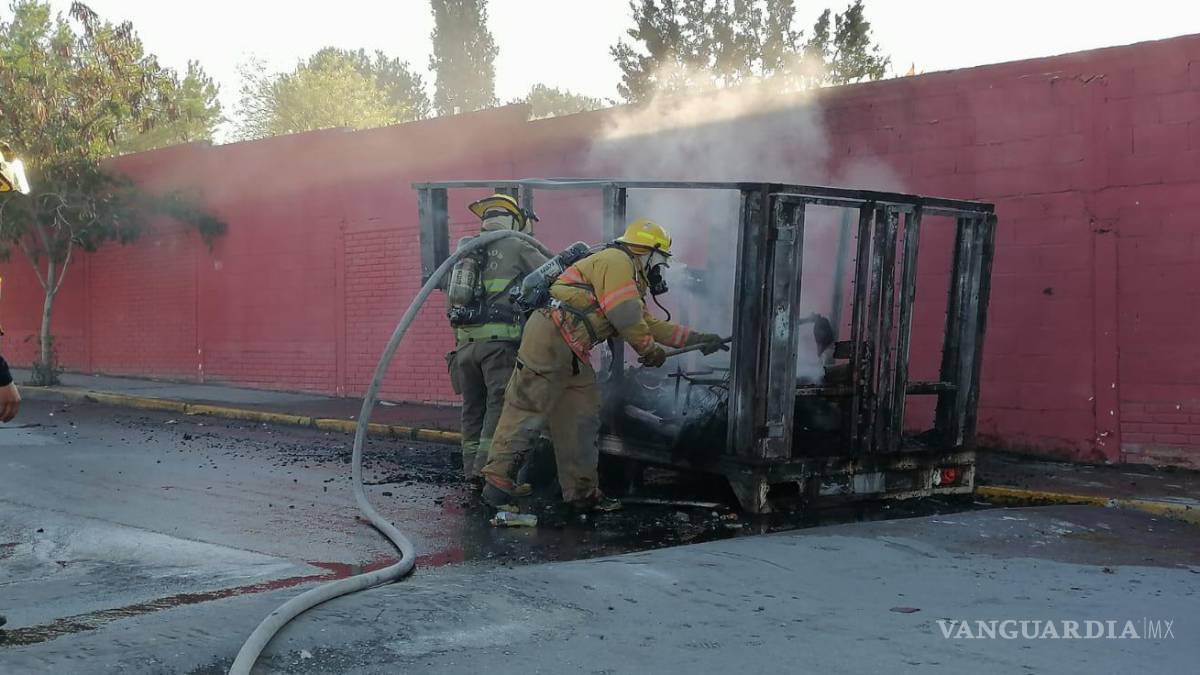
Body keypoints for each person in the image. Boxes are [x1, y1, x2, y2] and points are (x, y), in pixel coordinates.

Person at [480, 218, 726, 510]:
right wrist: (649, 350)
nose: (660, 270)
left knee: (581, 417)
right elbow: (625, 315)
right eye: (660, 262)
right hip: (549, 336)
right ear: (648, 252)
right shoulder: (616, 261)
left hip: (573, 347)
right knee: (528, 406)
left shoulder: (627, 276)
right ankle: (497, 488)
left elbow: (649, 323)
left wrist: (698, 339)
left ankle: (581, 493)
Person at [445, 194, 547, 480]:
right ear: (512, 220)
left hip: (465, 348)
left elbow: (451, 303)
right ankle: (486, 473)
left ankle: (470, 471)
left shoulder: (465, 251)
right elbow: (553, 271)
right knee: (497, 409)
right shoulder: (516, 245)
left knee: (471, 411)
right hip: (499, 347)